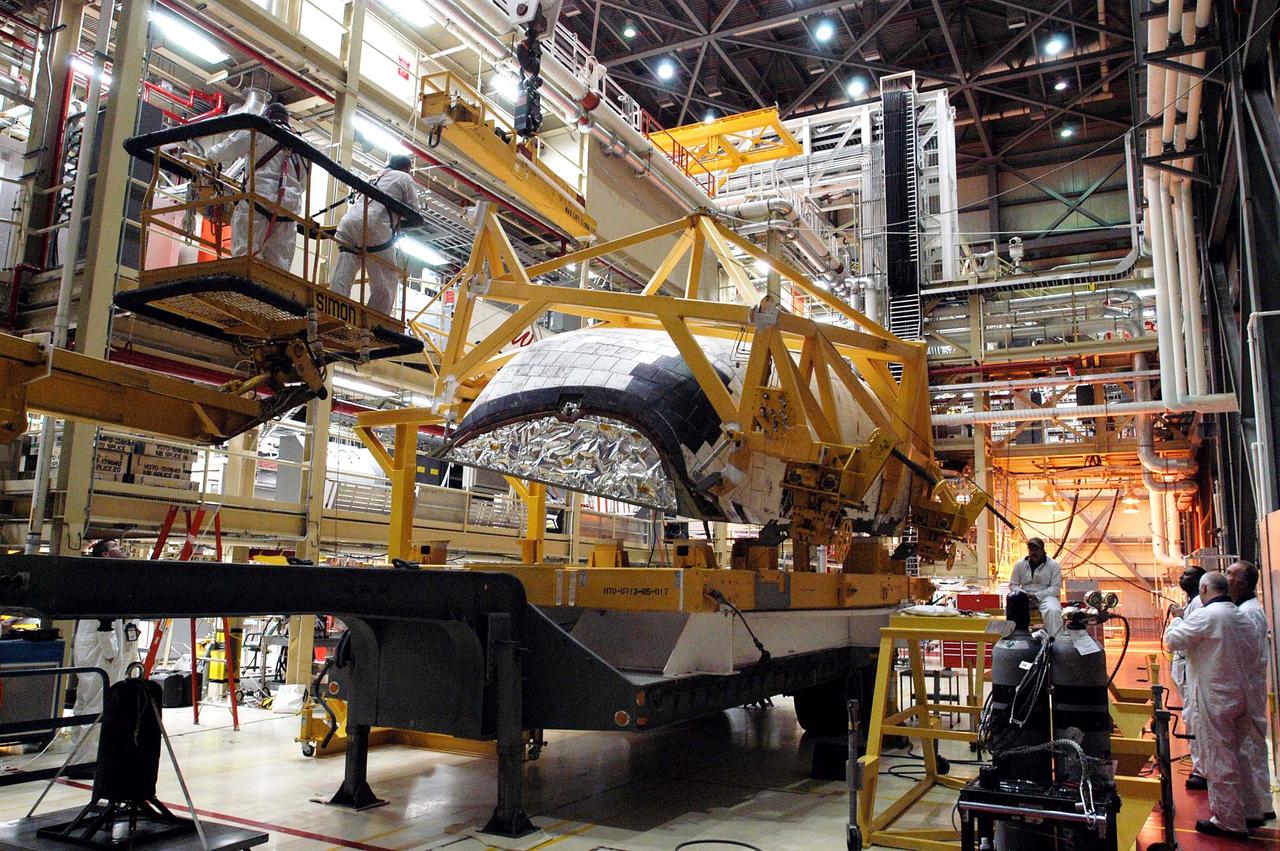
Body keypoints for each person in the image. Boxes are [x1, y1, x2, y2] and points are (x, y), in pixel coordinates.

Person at [1165, 570, 1257, 838]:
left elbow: (1173, 641)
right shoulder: (1242, 615)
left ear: (1203, 589)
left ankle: (1229, 821)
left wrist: (1176, 621)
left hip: (1216, 697)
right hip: (1241, 693)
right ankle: (1247, 812)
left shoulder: (1207, 615)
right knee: (1239, 756)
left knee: (1219, 759)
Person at [66, 540, 139, 779]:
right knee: (94, 704)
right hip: (101, 653)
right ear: (106, 555)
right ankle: (84, 762)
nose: (123, 549)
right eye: (116, 547)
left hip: (111, 652)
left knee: (99, 704)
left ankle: (94, 756)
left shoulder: (115, 579)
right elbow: (104, 624)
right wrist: (112, 654)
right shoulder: (99, 581)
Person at [206, 101, 306, 271]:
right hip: (288, 214)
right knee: (278, 271)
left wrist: (209, 157)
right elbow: (302, 184)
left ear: (267, 116)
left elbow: (225, 149)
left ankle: (243, 294)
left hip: (257, 203)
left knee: (244, 258)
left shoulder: (258, 129)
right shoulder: (303, 148)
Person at [328, 153, 420, 315]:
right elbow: (414, 209)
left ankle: (332, 313)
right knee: (387, 278)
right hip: (374, 228)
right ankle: (375, 321)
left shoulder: (373, 176)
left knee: (343, 273)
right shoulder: (404, 178)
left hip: (348, 224)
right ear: (407, 168)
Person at [1228, 559, 1275, 826]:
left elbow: (1245, 655)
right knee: (1252, 746)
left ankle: (1258, 806)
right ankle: (1260, 803)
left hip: (1247, 689)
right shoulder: (1246, 609)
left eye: (1231, 575)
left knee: (1252, 747)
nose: (1227, 578)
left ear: (1243, 583)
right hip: (1248, 687)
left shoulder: (1247, 613)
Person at [1170, 564, 1207, 789]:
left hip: (1189, 665)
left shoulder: (1200, 604)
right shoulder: (1193, 603)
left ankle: (1201, 770)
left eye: (1188, 575)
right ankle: (1200, 765)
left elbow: (1180, 639)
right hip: (1184, 666)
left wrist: (1177, 620)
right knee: (1190, 716)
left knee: (1194, 719)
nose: (1183, 577)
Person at [1008, 537, 1062, 635]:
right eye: (1030, 549)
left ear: (1042, 550)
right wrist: (1024, 595)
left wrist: (1036, 596)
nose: (1033, 552)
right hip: (1024, 596)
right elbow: (1013, 584)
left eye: (1036, 549)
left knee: (1053, 610)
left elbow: (1055, 588)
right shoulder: (1019, 564)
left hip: (1046, 597)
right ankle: (1014, 639)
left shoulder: (1054, 565)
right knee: (1011, 609)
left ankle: (1055, 641)